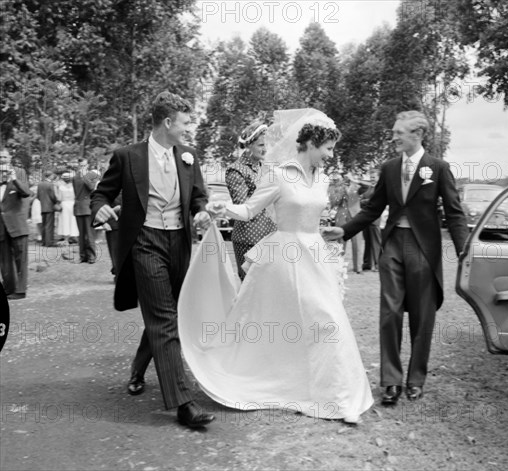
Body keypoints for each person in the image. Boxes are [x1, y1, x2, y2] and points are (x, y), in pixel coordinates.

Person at [179, 108, 374, 424]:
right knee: (317, 318)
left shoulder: (322, 178)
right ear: (310, 143)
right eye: (328, 148)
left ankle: (336, 397)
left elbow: (314, 212)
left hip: (314, 255)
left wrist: (324, 231)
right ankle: (326, 396)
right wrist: (220, 207)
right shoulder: (280, 175)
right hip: (284, 258)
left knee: (326, 320)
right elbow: (249, 209)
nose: (331, 155)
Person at [323, 110, 468, 404]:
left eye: (399, 133)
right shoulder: (389, 168)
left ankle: (416, 379)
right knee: (389, 313)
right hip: (391, 246)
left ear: (418, 135)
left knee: (422, 315)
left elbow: (454, 213)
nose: (394, 137)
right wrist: (345, 230)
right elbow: (373, 209)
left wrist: (463, 248)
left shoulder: (438, 168)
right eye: (394, 132)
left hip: (424, 248)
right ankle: (390, 381)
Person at [91, 91, 215, 429]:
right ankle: (183, 403)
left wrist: (202, 213)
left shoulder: (189, 156)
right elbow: (102, 192)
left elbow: (199, 197)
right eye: (186, 122)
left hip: (179, 243)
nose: (189, 128)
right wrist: (98, 205)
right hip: (145, 242)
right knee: (163, 319)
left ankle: (138, 368)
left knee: (168, 313)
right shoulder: (127, 156)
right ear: (167, 122)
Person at [225, 120, 277, 280]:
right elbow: (242, 205)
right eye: (261, 145)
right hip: (249, 238)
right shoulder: (236, 170)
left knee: (268, 289)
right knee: (249, 288)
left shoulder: (266, 167)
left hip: (270, 235)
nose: (265, 149)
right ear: (248, 145)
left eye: (266, 144)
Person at [0, 162, 30, 300]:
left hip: (17, 226)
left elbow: (26, 192)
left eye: (4, 171)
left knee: (21, 260)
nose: (2, 174)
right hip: (1, 229)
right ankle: (8, 288)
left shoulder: (16, 182)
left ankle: (20, 290)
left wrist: (14, 179)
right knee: (4, 261)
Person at [73, 159, 97, 263]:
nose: (81, 167)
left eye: (83, 165)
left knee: (89, 233)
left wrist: (84, 176)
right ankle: (82, 256)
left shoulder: (92, 175)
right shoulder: (74, 177)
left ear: (87, 165)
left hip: (88, 208)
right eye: (80, 165)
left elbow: (91, 187)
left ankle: (91, 256)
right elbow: (76, 192)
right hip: (79, 208)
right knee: (81, 234)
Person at [360, 170, 382, 271]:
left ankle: (378, 264)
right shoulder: (368, 188)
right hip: (365, 219)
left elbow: (375, 201)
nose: (372, 179)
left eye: (374, 177)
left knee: (376, 242)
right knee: (367, 242)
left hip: (375, 219)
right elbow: (361, 201)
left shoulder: (380, 188)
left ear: (378, 177)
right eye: (371, 177)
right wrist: (365, 202)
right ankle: (367, 263)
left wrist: (365, 202)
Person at [37, 170, 60, 247]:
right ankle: (49, 242)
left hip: (42, 206)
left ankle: (44, 242)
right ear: (50, 176)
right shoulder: (50, 185)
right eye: (53, 175)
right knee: (49, 225)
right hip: (50, 207)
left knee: (44, 225)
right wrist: (56, 201)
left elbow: (38, 196)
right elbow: (53, 196)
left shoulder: (40, 184)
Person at [56, 172, 79, 244]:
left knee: (65, 220)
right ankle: (74, 236)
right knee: (73, 220)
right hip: (72, 204)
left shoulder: (61, 187)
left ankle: (66, 239)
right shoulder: (74, 186)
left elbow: (59, 198)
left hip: (64, 204)